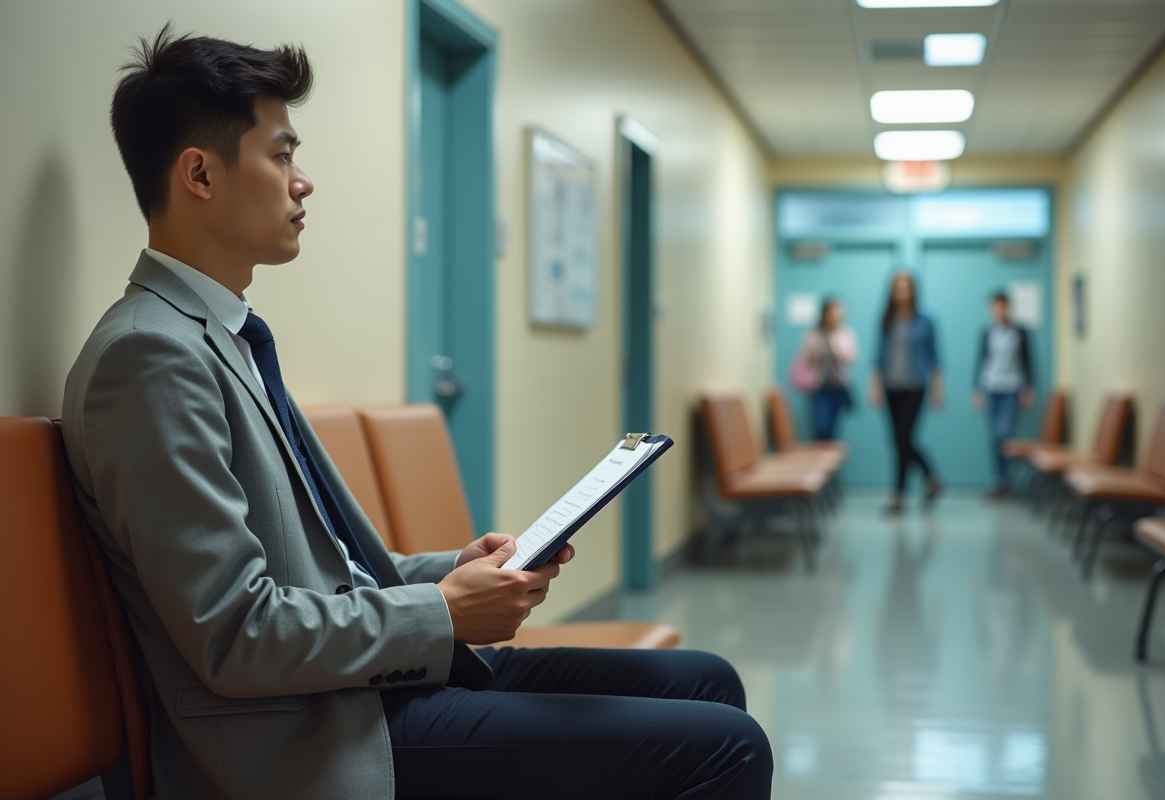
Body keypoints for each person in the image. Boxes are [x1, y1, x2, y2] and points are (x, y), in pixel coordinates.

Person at [60, 28, 771, 800]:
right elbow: (236, 636)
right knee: (725, 749)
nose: (303, 183)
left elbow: (330, 574)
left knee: (706, 681)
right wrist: (440, 612)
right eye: (281, 155)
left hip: (363, 685)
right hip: (308, 735)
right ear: (199, 173)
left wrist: (458, 574)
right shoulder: (147, 359)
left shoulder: (218, 338)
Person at [869, 271, 944, 515]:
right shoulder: (886, 319)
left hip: (915, 385)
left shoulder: (926, 320)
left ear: (913, 290)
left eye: (906, 287)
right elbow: (878, 356)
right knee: (897, 441)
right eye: (897, 288)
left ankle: (909, 489)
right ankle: (913, 489)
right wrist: (874, 386)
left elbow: (935, 356)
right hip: (891, 385)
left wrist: (938, 389)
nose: (901, 292)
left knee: (903, 437)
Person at [972, 292, 1035, 499]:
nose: (1000, 310)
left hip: (1012, 388)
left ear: (1009, 308)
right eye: (996, 307)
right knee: (994, 437)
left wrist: (1029, 387)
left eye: (1004, 306)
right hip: (991, 387)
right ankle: (999, 481)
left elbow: (1029, 361)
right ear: (991, 309)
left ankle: (1006, 480)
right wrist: (976, 389)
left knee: (1003, 433)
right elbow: (981, 361)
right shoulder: (987, 332)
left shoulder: (1020, 332)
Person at [791, 297, 858, 440]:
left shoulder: (845, 333)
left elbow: (852, 358)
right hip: (819, 387)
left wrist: (835, 347)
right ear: (824, 313)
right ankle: (819, 456)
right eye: (831, 312)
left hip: (838, 386)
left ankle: (830, 459)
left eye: (838, 312)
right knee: (822, 426)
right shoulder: (813, 334)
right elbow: (804, 357)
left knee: (833, 429)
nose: (835, 315)